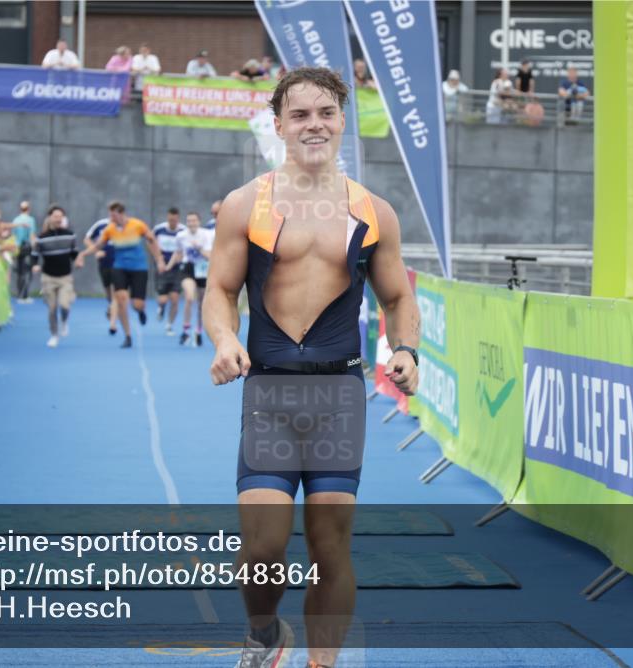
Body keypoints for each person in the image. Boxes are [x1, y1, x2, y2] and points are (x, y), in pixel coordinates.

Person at [203, 67, 419, 668]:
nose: (314, 124)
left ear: (342, 121)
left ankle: (321, 662)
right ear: (278, 126)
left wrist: (406, 351)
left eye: (326, 112)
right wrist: (224, 339)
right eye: (300, 115)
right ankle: (263, 631)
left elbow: (398, 298)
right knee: (264, 549)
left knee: (330, 548)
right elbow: (219, 290)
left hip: (339, 398)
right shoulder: (247, 204)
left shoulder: (374, 212)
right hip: (269, 394)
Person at [86, 200, 166, 349]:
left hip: (138, 268)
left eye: (114, 215)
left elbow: (151, 240)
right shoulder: (110, 229)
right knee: (121, 299)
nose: (111, 219)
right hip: (120, 267)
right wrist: (83, 254)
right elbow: (98, 245)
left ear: (122, 214)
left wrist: (159, 259)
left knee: (136, 304)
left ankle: (140, 310)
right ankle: (128, 336)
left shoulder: (138, 225)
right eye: (110, 216)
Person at [31, 205, 83, 348]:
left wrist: (78, 260)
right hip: (48, 277)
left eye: (61, 216)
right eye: (55, 216)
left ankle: (64, 321)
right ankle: (54, 335)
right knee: (52, 308)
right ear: (50, 218)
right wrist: (35, 265)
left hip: (65, 277)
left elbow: (74, 253)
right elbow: (35, 255)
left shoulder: (69, 234)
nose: (58, 219)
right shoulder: (41, 238)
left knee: (65, 305)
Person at [165, 212, 213, 347]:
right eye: (189, 221)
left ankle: (198, 331)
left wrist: (199, 248)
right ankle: (186, 330)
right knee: (189, 297)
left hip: (202, 269)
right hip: (188, 268)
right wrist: (168, 266)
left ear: (199, 221)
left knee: (201, 304)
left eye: (194, 221)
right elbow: (178, 252)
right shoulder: (181, 236)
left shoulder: (206, 234)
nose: (191, 223)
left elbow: (210, 256)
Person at [83, 215, 119, 335]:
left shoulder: (124, 225)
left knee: (116, 293)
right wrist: (96, 251)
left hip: (119, 264)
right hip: (104, 264)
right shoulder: (101, 225)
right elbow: (87, 239)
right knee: (109, 292)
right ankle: (111, 306)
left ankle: (113, 324)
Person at [153, 207, 186, 335]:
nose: (172, 222)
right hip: (162, 267)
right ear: (167, 218)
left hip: (177, 269)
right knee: (163, 299)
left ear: (178, 219)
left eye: (174, 220)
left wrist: (179, 259)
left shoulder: (183, 231)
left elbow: (184, 249)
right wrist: (158, 259)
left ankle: (169, 325)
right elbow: (150, 243)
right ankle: (161, 307)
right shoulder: (159, 230)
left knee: (175, 299)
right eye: (170, 219)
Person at [11, 201, 36, 303]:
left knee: (20, 271)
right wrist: (34, 249)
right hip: (26, 247)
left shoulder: (16, 220)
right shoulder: (30, 220)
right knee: (27, 271)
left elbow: (13, 235)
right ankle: (24, 295)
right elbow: (32, 235)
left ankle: (19, 295)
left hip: (17, 248)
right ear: (28, 209)